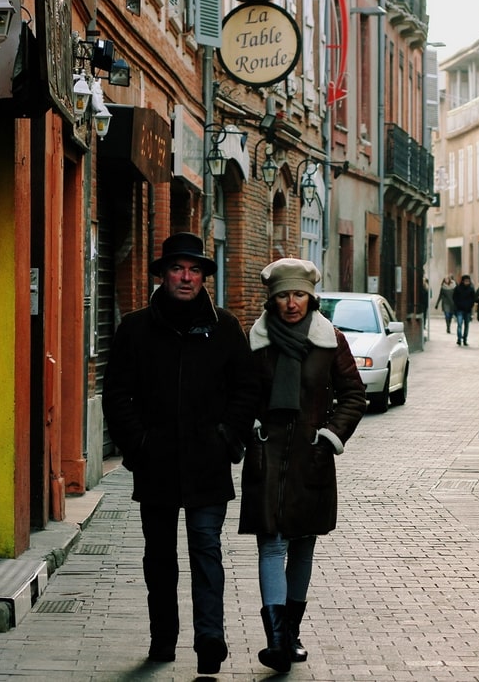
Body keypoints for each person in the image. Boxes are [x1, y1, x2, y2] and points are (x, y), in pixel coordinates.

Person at [102, 232, 258, 675]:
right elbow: (117, 394)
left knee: (206, 550)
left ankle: (210, 638)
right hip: (157, 464)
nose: (186, 277)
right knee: (159, 556)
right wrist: (138, 446)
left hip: (209, 462)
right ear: (163, 275)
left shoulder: (225, 327)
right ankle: (163, 638)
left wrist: (228, 437)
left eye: (194, 270)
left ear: (204, 277)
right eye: (177, 268)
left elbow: (246, 389)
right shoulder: (135, 328)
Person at [240, 258, 368, 672]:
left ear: (310, 298)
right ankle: (276, 641)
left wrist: (329, 436)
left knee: (302, 543)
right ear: (271, 300)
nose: (291, 303)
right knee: (271, 543)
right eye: (282, 296)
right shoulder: (255, 341)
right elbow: (237, 394)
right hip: (268, 454)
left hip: (311, 457)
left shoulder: (330, 340)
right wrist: (252, 428)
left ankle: (290, 633)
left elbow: (354, 394)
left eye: (298, 294)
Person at [452, 274, 476, 346]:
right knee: (459, 324)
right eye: (465, 281)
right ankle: (459, 339)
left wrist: (470, 306)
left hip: (467, 310)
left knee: (466, 325)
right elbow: (454, 297)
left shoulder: (471, 289)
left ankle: (465, 339)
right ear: (462, 281)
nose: (467, 282)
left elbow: (473, 299)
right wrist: (457, 305)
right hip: (459, 309)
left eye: (468, 281)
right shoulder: (458, 288)